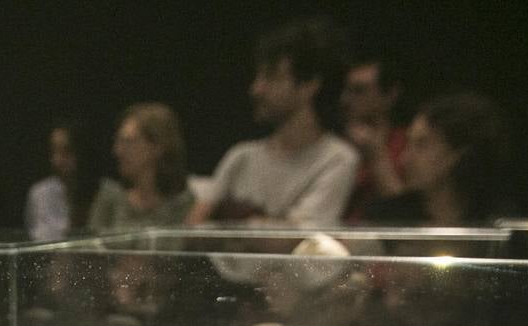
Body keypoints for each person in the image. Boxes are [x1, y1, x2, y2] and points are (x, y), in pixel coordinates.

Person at [187, 18, 358, 227]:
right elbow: (193, 227)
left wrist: (233, 222)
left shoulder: (337, 159)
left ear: (309, 85)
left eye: (271, 77)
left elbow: (296, 239)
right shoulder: (241, 157)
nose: (256, 89)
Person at [366, 92, 508, 226]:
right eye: (408, 143)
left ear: (458, 153)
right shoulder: (385, 218)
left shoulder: (497, 221)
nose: (404, 159)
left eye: (421, 145)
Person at [88, 103, 195, 232]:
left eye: (128, 142)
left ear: (157, 147)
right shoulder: (110, 200)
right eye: (118, 141)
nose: (118, 151)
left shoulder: (182, 205)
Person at [340, 54, 408, 221]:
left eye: (359, 91)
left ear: (390, 94)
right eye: (346, 90)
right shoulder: (333, 146)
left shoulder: (409, 145)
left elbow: (404, 210)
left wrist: (376, 154)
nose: (346, 100)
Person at [25, 122, 99, 240]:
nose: (57, 161)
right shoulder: (40, 193)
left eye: (66, 151)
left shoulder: (106, 193)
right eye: (54, 151)